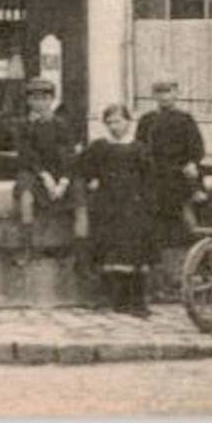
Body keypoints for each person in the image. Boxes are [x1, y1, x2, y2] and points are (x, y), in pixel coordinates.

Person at [80, 104, 155, 317]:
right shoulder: (100, 146)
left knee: (135, 251)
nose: (114, 127)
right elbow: (83, 165)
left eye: (118, 121)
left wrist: (146, 202)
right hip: (109, 205)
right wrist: (92, 178)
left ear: (128, 122)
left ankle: (138, 301)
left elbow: (149, 176)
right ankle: (116, 299)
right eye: (110, 122)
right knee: (112, 249)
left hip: (134, 205)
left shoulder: (139, 148)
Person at [11, 78, 88, 266]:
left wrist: (63, 181)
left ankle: (80, 254)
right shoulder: (22, 125)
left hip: (62, 173)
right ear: (29, 101)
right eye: (35, 99)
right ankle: (26, 248)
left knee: (80, 197)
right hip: (34, 172)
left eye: (45, 99)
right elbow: (27, 155)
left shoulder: (62, 124)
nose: (40, 103)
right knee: (26, 194)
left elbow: (69, 154)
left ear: (52, 100)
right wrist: (45, 176)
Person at [136, 79, 206, 253]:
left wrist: (192, 163)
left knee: (185, 210)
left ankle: (199, 252)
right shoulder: (147, 120)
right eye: (159, 93)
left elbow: (197, 147)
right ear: (153, 95)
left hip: (179, 172)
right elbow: (139, 146)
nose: (164, 97)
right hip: (155, 172)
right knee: (151, 212)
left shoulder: (184, 119)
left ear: (176, 94)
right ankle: (157, 254)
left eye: (168, 92)